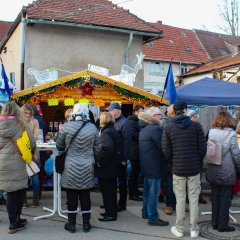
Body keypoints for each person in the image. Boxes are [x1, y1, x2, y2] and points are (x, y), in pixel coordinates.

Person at [162, 100, 207, 239]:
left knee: (180, 199)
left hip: (178, 169)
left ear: (174, 111)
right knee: (193, 200)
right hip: (193, 168)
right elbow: (202, 149)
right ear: (186, 110)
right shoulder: (196, 127)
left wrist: (173, 164)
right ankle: (194, 229)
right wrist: (197, 163)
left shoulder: (168, 127)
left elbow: (166, 151)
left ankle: (180, 229)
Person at [56, 103, 100, 233]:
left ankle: (72, 225)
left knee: (71, 195)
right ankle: (86, 224)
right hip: (87, 165)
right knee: (85, 195)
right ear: (86, 113)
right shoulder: (93, 128)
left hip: (70, 165)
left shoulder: (66, 127)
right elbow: (98, 148)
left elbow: (59, 146)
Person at [0, 102, 36, 234]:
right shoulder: (21, 124)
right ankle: (15, 222)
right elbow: (31, 143)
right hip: (18, 162)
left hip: (3, 163)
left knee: (10, 192)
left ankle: (14, 221)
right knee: (19, 191)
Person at [206, 111, 240, 232]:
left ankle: (214, 222)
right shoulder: (231, 134)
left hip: (212, 169)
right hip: (226, 170)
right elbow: (236, 154)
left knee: (215, 196)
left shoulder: (211, 132)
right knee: (225, 199)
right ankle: (223, 225)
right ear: (229, 120)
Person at [139, 107, 169, 226]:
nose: (160, 116)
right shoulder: (155, 128)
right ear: (151, 116)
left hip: (147, 164)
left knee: (147, 191)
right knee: (154, 193)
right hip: (154, 165)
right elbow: (163, 147)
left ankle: (145, 212)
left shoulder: (144, 128)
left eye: (160, 114)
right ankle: (153, 217)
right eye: (157, 114)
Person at [105, 102, 132, 212]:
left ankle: (122, 204)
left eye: (111, 110)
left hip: (121, 157)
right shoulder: (112, 122)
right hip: (113, 157)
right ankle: (111, 203)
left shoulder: (125, 122)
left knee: (122, 182)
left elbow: (127, 142)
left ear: (117, 110)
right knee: (112, 181)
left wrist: (124, 158)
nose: (109, 112)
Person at [95, 112, 119, 222]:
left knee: (107, 192)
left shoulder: (106, 132)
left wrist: (100, 161)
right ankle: (111, 211)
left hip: (106, 167)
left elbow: (107, 149)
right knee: (111, 191)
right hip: (112, 166)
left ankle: (110, 214)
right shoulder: (112, 130)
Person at [21, 104, 40, 208]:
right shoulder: (18, 122)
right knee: (23, 176)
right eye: (26, 113)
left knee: (34, 175)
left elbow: (37, 136)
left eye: (29, 113)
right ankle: (24, 200)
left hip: (33, 151)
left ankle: (35, 198)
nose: (28, 115)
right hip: (21, 152)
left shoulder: (35, 121)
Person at [187, 109, 207, 205]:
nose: (197, 118)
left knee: (198, 180)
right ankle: (191, 197)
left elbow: (202, 144)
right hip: (190, 158)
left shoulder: (198, 127)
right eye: (195, 117)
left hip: (197, 158)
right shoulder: (187, 128)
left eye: (197, 117)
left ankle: (199, 196)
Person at [127, 105, 144, 201]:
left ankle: (135, 190)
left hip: (137, 150)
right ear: (136, 112)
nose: (142, 113)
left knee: (136, 172)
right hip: (134, 151)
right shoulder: (131, 122)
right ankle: (132, 194)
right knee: (134, 173)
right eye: (141, 111)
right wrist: (143, 133)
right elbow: (133, 135)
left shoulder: (136, 121)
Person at [162, 104, 176, 215]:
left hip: (178, 159)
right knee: (170, 183)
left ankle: (176, 204)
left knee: (177, 184)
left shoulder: (174, 122)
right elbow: (165, 144)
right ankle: (169, 204)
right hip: (169, 159)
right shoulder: (165, 123)